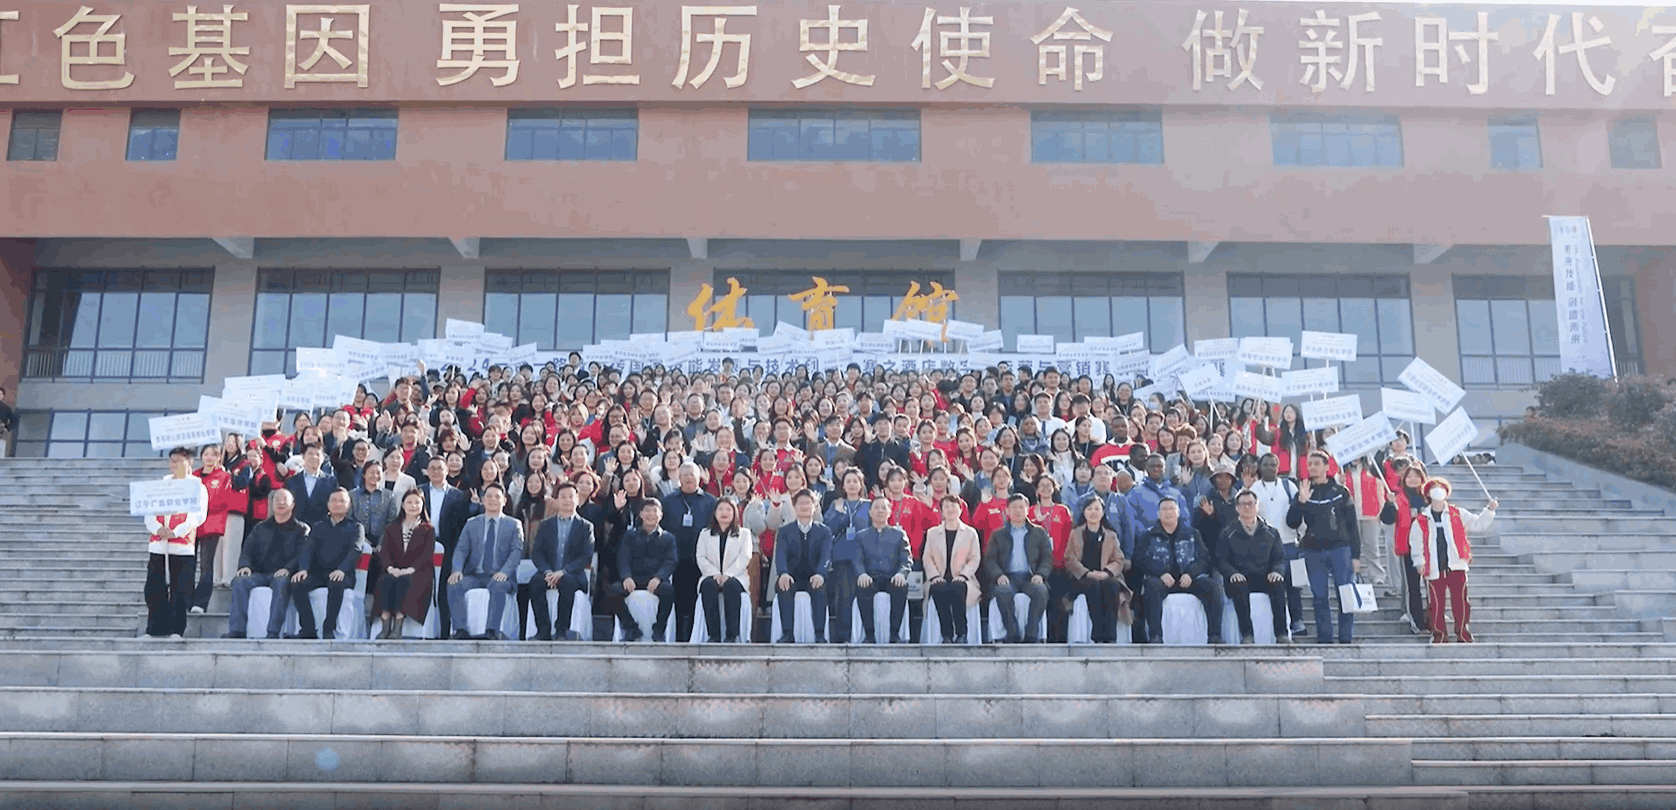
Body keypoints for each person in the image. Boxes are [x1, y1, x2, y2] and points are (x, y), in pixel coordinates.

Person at [1286, 451, 1362, 645]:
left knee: (1345, 594)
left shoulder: (1341, 491)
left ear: (1327, 467)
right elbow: (1292, 522)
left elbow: (1352, 525)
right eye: (1309, 463)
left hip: (1340, 549)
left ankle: (1346, 637)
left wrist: (1356, 555)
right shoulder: (1303, 490)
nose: (1312, 467)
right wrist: (1301, 502)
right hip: (1313, 550)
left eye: (1316, 463)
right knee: (1319, 596)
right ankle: (1325, 638)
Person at [1411, 478, 1496, 644]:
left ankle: (1463, 633)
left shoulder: (1457, 513)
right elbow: (1416, 543)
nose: (1437, 491)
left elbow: (1477, 524)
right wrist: (1419, 561)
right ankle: (1439, 635)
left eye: (1440, 488)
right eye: (1434, 488)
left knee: (1461, 602)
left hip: (1456, 565)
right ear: (1428, 493)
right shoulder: (1422, 519)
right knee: (1436, 604)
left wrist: (1489, 511)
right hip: (1434, 566)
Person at [1135, 498, 1221, 644]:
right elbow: (1140, 560)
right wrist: (1161, 573)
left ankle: (1215, 635)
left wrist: (1191, 574)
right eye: (1164, 509)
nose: (1168, 512)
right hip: (1161, 581)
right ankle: (1155, 636)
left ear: (1178, 512)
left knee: (1211, 586)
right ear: (1158, 513)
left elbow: (1204, 559)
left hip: (1188, 580)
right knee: (1151, 586)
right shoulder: (1147, 535)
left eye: (1171, 509)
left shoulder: (1192, 533)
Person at [224, 489, 306, 639]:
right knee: (239, 581)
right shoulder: (260, 527)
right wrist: (245, 565)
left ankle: (272, 632)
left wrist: (288, 569)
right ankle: (237, 630)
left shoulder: (301, 529)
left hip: (284, 575)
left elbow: (302, 554)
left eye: (285, 499)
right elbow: (247, 550)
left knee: (281, 582)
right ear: (271, 504)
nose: (281, 502)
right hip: (261, 574)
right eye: (277, 500)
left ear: (293, 504)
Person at [145, 447, 209, 639]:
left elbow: (198, 515)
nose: (174, 464)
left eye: (179, 461)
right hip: (159, 545)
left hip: (182, 546)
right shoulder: (162, 484)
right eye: (172, 460)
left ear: (189, 462)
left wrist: (177, 531)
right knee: (154, 588)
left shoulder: (197, 486)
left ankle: (176, 629)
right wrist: (157, 528)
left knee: (180, 589)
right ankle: (155, 629)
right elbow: (149, 510)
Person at [446, 484, 523, 640]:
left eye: (497, 496)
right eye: (489, 496)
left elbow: (516, 552)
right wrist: (457, 570)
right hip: (475, 575)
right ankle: (460, 630)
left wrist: (504, 572)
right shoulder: (472, 523)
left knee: (498, 585)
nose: (493, 500)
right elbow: (461, 549)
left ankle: (492, 631)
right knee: (454, 584)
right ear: (482, 500)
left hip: (500, 576)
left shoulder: (514, 524)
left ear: (504, 501)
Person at [1217, 489, 1290, 644]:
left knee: (1278, 584)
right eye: (1243, 504)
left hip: (1264, 577)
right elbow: (1221, 560)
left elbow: (1280, 558)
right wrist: (1232, 573)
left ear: (1257, 506)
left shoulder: (1271, 533)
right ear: (1237, 508)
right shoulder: (1227, 532)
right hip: (1239, 579)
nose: (1247, 507)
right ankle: (1247, 635)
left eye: (1251, 504)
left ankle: (1281, 634)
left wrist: (1277, 571)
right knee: (1239, 585)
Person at [290, 488, 362, 640]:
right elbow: (308, 549)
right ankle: (308, 629)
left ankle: (329, 628)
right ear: (328, 504)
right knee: (298, 583)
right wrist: (303, 569)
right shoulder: (318, 526)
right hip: (319, 574)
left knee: (336, 583)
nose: (337, 504)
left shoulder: (356, 527)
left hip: (343, 574)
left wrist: (342, 569)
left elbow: (355, 550)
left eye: (342, 501)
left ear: (349, 505)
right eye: (334, 500)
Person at [981, 494, 1052, 644]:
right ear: (1007, 511)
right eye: (1014, 507)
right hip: (1007, 577)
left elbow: (1047, 558)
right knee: (1002, 591)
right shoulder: (998, 534)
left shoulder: (1039, 532)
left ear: (1028, 509)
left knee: (1041, 591)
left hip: (1030, 577)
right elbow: (990, 560)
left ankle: (1032, 634)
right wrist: (998, 575)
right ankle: (1012, 633)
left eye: (1021, 507)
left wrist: (1040, 574)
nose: (1018, 511)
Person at [529, 482, 595, 641]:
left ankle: (561, 630)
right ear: (557, 500)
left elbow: (585, 556)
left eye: (571, 496)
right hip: (549, 572)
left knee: (568, 582)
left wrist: (563, 572)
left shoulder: (586, 526)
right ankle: (543, 630)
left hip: (573, 575)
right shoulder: (546, 525)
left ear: (577, 499)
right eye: (563, 497)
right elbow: (537, 553)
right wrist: (547, 572)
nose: (567, 500)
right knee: (535, 582)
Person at [660, 462, 717, 642]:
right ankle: (677, 637)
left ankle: (694, 636)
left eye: (692, 474)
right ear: (679, 477)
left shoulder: (711, 501)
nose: (689, 478)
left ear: (699, 477)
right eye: (685, 475)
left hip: (700, 559)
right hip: (675, 558)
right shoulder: (668, 501)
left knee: (695, 600)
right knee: (677, 600)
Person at [1250, 454, 1305, 636]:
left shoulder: (1289, 486)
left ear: (1278, 466)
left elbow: (1298, 511)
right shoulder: (1254, 488)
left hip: (1289, 543)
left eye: (1273, 465)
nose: (1269, 468)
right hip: (1265, 546)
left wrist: (1303, 536)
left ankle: (1297, 621)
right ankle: (1276, 624)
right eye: (1266, 464)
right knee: (1274, 585)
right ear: (1260, 467)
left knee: (1294, 585)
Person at [418, 457, 475, 635]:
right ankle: (424, 632)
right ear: (427, 471)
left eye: (440, 468)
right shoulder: (419, 492)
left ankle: (443, 632)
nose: (436, 471)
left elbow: (463, 525)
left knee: (443, 590)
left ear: (447, 471)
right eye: (432, 468)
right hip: (421, 545)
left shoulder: (458, 495)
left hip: (449, 547)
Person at [1063, 495, 1129, 644]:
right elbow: (1069, 559)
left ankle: (1110, 636)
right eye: (1089, 509)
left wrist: (1106, 572)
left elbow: (1119, 559)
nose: (1093, 512)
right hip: (1082, 578)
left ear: (1103, 512)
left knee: (1112, 585)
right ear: (1084, 512)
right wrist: (1087, 573)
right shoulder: (1076, 533)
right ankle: (1098, 633)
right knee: (1092, 585)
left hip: (1105, 576)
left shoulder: (1111, 535)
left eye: (1097, 509)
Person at [612, 498, 678, 641]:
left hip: (655, 579)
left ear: (661, 515)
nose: (651, 514)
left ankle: (659, 630)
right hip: (634, 578)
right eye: (647, 510)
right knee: (614, 590)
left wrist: (658, 578)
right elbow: (623, 558)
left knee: (668, 591)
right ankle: (631, 628)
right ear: (641, 514)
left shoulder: (668, 538)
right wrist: (626, 577)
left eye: (655, 511)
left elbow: (671, 561)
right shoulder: (630, 535)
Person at [1380, 462, 1434, 636]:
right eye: (1409, 476)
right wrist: (1389, 504)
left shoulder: (1430, 497)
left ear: (1422, 478)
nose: (1412, 479)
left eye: (1416, 476)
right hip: (1408, 547)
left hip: (1430, 547)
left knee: (1432, 585)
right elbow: (1387, 519)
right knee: (1413, 587)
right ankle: (1417, 623)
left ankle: (1434, 620)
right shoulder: (1398, 497)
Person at [773, 489, 833, 644]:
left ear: (814, 506)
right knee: (784, 586)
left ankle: (819, 634)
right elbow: (780, 555)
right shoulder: (785, 531)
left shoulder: (824, 531)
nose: (804, 506)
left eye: (808, 503)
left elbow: (826, 555)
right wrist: (783, 573)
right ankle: (787, 634)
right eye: (801, 503)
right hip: (791, 576)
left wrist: (821, 573)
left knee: (819, 587)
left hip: (814, 576)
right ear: (794, 506)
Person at [853, 497, 913, 644]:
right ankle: (869, 635)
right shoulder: (861, 536)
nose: (880, 511)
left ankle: (894, 635)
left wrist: (901, 574)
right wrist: (862, 574)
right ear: (870, 512)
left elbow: (906, 560)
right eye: (876, 507)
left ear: (889, 512)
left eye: (883, 508)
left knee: (901, 587)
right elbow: (857, 560)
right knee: (863, 587)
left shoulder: (899, 535)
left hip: (892, 578)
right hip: (871, 577)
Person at [922, 494, 980, 644]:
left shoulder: (970, 533)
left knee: (958, 588)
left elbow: (975, 558)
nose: (950, 509)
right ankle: (946, 635)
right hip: (939, 577)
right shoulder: (932, 533)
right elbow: (927, 558)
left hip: (963, 578)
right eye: (946, 506)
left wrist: (964, 575)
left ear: (960, 509)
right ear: (941, 511)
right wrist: (935, 576)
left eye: (953, 505)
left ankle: (962, 634)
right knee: (939, 588)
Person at [376, 489, 435, 639]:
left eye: (417, 502)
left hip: (418, 572)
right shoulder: (392, 527)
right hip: (393, 569)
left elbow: (426, 554)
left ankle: (398, 626)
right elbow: (385, 551)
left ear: (423, 505)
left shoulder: (428, 529)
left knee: (405, 582)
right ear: (402, 505)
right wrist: (390, 568)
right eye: (409, 502)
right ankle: (385, 626)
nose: (413, 505)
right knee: (385, 581)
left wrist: (410, 569)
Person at [189, 443, 238, 615]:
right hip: (191, 525)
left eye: (213, 454)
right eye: (206, 454)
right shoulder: (193, 476)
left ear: (218, 457)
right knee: (188, 564)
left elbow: (223, 501)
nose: (209, 457)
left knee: (206, 565)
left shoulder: (224, 476)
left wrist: (202, 506)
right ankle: (186, 599)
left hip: (211, 524)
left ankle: (200, 603)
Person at [697, 498, 752, 642]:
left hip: (736, 576)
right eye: (720, 509)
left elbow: (745, 557)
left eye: (728, 509)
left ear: (734, 513)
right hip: (711, 575)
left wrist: (728, 574)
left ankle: (731, 635)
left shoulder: (744, 534)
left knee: (731, 586)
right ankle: (714, 635)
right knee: (708, 585)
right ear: (715, 513)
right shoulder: (705, 534)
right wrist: (715, 573)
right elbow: (701, 557)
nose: (724, 513)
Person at [283, 444, 337, 527]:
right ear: (303, 457)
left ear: (323, 459)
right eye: (310, 453)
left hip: (322, 529)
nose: (314, 457)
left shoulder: (331, 482)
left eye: (318, 454)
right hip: (296, 529)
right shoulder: (291, 481)